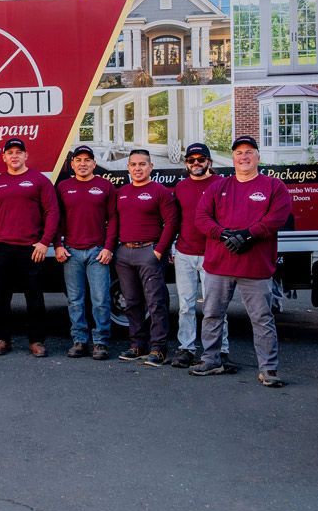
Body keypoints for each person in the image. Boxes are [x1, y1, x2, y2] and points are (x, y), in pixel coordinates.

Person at [190, 136, 292, 387]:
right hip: (219, 265)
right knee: (212, 314)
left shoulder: (273, 186)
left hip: (255, 267)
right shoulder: (218, 187)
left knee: (261, 318)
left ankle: (268, 369)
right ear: (232, 158)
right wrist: (223, 234)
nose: (243, 157)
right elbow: (201, 217)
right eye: (238, 153)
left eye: (249, 152)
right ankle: (211, 359)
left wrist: (248, 235)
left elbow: (278, 217)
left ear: (258, 156)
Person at [0, 138, 60, 357]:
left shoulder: (39, 181)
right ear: (4, 157)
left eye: (18, 152)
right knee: (0, 297)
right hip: (2, 248)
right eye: (10, 153)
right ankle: (2, 339)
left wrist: (45, 242)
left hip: (31, 248)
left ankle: (36, 341)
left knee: (34, 296)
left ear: (26, 156)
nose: (14, 156)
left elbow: (52, 212)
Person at [113, 149, 179, 367]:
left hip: (149, 252)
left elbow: (171, 223)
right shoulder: (121, 192)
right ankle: (137, 346)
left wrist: (159, 251)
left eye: (142, 164)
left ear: (151, 167)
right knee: (131, 302)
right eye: (133, 164)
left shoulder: (160, 191)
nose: (137, 168)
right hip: (124, 253)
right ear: (128, 168)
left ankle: (158, 349)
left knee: (156, 302)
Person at [170, 143, 231, 369]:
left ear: (209, 162)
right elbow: (175, 220)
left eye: (200, 159)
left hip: (213, 255)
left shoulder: (221, 184)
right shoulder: (180, 187)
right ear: (186, 163)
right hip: (185, 253)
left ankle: (220, 350)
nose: (196, 163)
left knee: (214, 307)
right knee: (185, 305)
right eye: (191, 159)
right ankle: (186, 348)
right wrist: (172, 247)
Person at [54, 145, 117, 360]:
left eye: (87, 160)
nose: (82, 163)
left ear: (93, 163)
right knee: (75, 300)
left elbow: (114, 219)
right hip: (71, 252)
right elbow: (56, 220)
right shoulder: (63, 187)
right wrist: (58, 246)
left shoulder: (105, 186)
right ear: (72, 164)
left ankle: (100, 342)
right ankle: (79, 340)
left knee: (100, 300)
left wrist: (109, 247)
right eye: (78, 159)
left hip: (97, 252)